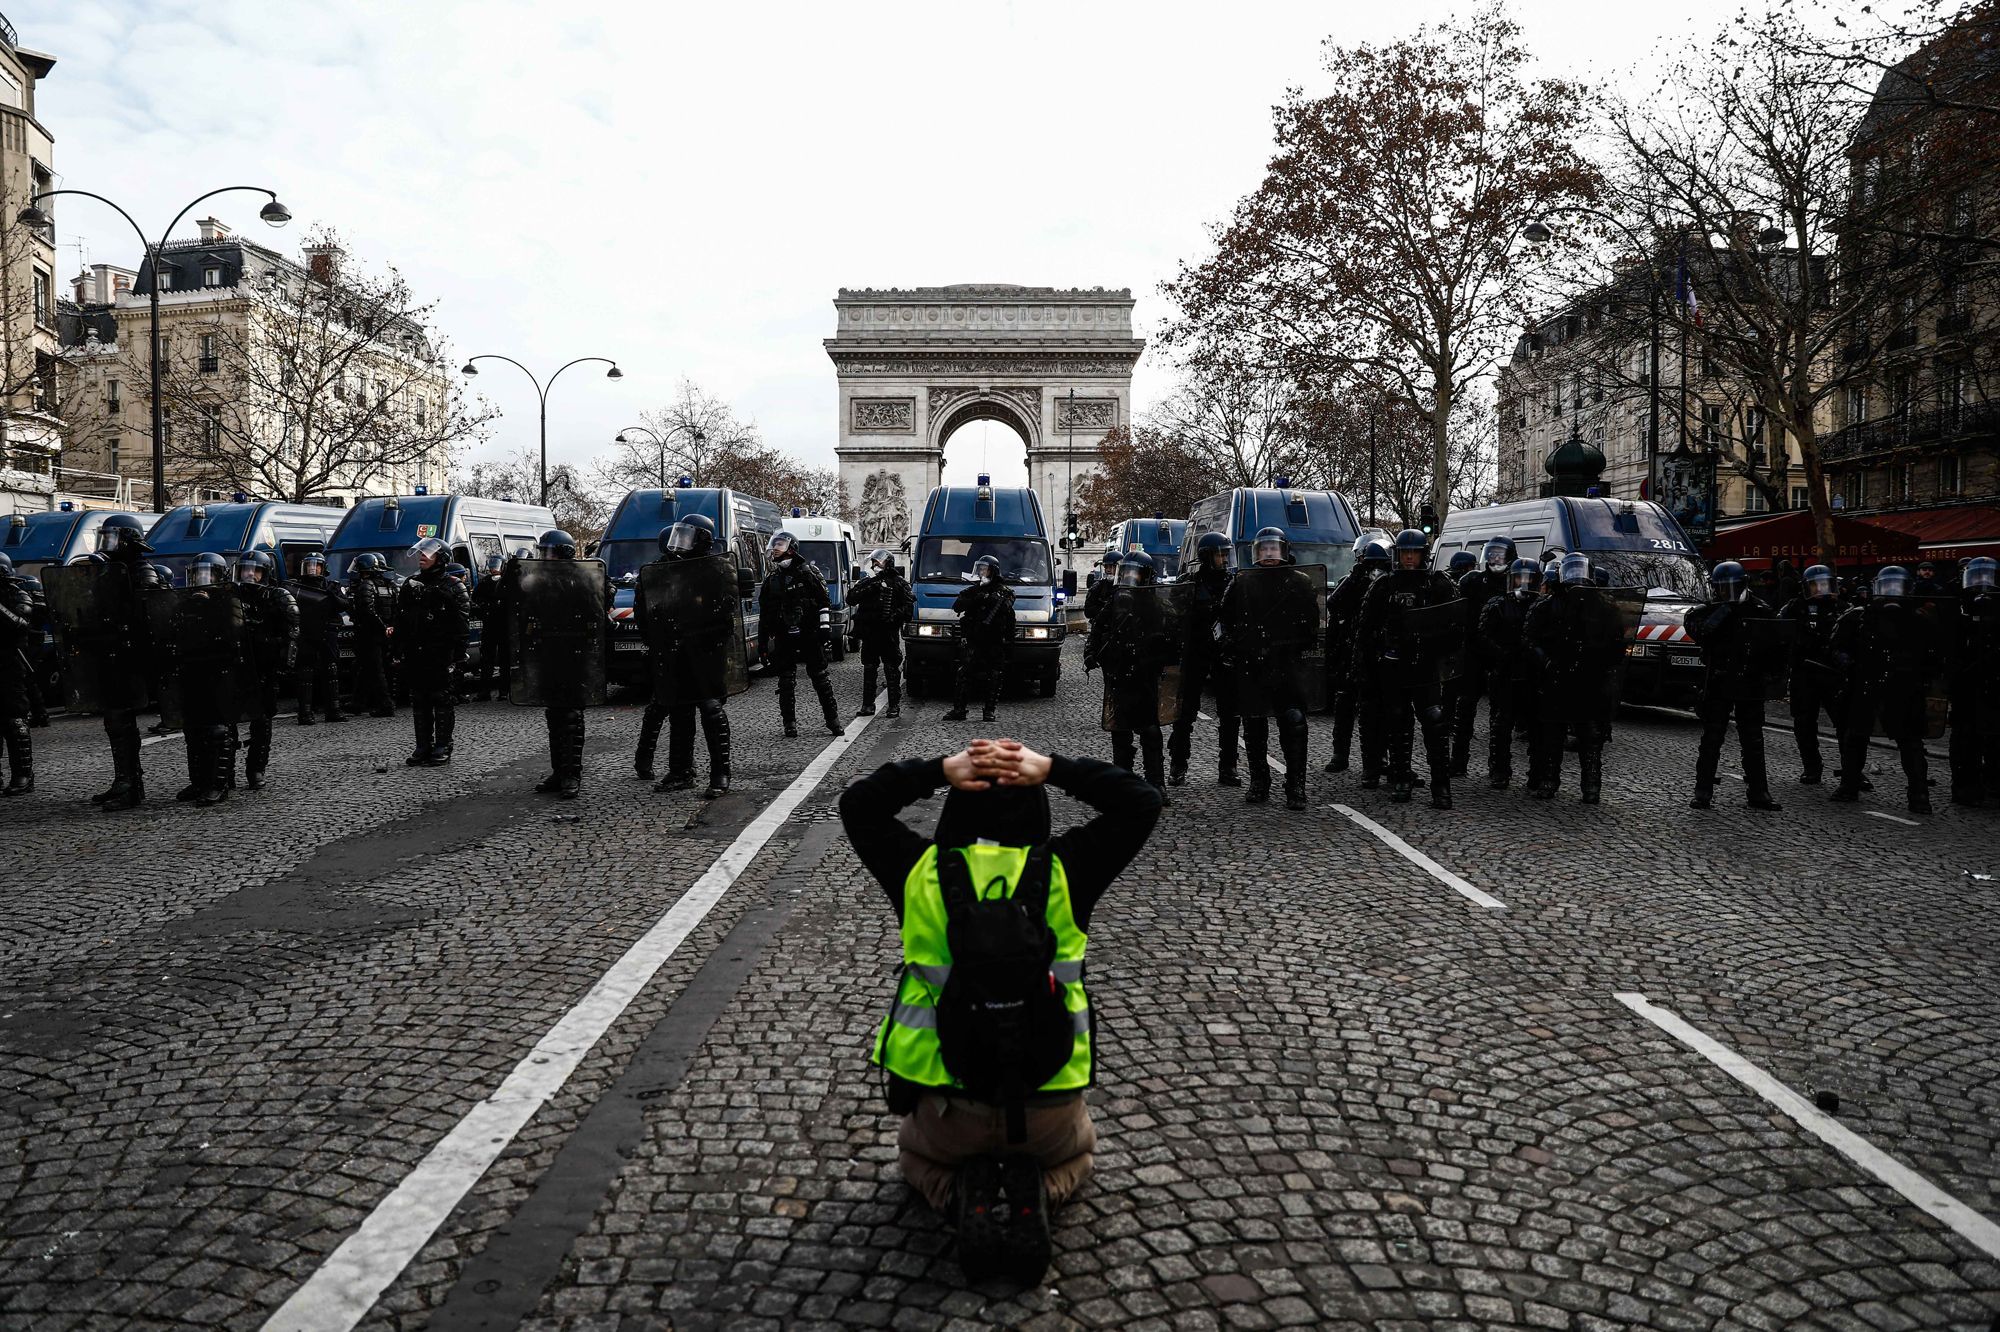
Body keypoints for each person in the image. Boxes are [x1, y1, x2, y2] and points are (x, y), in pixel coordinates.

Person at [840, 737, 1162, 1284]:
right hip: (1047, 1106)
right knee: (1079, 1157)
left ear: (953, 813)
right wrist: (1053, 766)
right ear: (1037, 815)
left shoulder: (920, 872)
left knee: (914, 1161)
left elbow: (859, 803)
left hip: (947, 1110)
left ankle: (956, 1192)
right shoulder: (1066, 870)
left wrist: (941, 769)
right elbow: (1141, 800)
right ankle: (1045, 1184)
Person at [1354, 529, 1461, 809]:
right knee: (1398, 724)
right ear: (1397, 555)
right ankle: (1401, 779)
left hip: (1426, 666)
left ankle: (1441, 785)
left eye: (1414, 552)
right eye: (1405, 553)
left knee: (1435, 723)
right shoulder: (1383, 586)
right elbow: (1365, 629)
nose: (1409, 558)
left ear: (1423, 554)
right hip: (1394, 666)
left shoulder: (1438, 583)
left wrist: (1444, 654)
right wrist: (1367, 666)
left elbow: (1456, 625)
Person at [633, 516, 735, 798]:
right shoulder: (661, 569)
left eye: (687, 535)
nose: (679, 541)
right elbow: (645, 613)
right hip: (673, 651)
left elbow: (726, 614)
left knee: (711, 711)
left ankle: (720, 773)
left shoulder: (717, 570)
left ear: (702, 539)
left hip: (704, 653)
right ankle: (680, 772)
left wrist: (707, 638)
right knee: (679, 711)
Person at [1216, 527, 1318, 809]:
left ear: (1283, 551)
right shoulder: (1242, 582)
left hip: (1286, 663)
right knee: (1253, 724)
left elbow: (1311, 623)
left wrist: (1294, 644)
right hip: (1253, 663)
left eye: (1274, 548)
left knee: (1294, 723)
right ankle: (1259, 781)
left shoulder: (1301, 582)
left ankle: (1295, 785)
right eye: (1264, 549)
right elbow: (1224, 618)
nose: (1269, 554)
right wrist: (1232, 646)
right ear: (1256, 553)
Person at [1830, 565, 1941, 813]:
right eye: (1887, 588)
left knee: (1910, 742)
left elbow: (1934, 655)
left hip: (1903, 686)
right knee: (1856, 737)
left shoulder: (1920, 620)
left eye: (1897, 588)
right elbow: (1837, 646)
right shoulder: (1858, 617)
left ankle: (1919, 794)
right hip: (1867, 683)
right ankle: (1849, 785)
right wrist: (1847, 664)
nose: (1891, 593)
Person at [1521, 552, 1623, 803]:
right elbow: (1528, 637)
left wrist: (1604, 664)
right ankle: (1549, 780)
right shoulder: (1549, 604)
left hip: (1589, 678)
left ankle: (1591, 786)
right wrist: (1545, 661)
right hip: (1556, 675)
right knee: (1552, 734)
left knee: (1590, 736)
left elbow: (1617, 641)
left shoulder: (1604, 607)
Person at [1684, 560, 1781, 811]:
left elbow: (1775, 645)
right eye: (1721, 589)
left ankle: (1759, 791)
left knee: (1753, 739)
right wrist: (1722, 611)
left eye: (1731, 588)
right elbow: (1698, 630)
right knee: (1712, 738)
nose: (1726, 592)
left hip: (1750, 682)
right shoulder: (1710, 611)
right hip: (1719, 680)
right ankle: (1703, 791)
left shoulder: (1760, 609)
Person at [76, 513, 155, 811]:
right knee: (114, 721)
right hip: (110, 653)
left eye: (112, 538)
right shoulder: (109, 571)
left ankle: (131, 787)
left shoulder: (141, 571)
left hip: (132, 655)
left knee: (122, 719)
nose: (106, 544)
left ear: (127, 540)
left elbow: (148, 613)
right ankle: (124, 780)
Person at [524, 529, 609, 798]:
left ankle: (572, 774)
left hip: (574, 653)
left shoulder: (582, 578)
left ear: (562, 553)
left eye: (547, 552)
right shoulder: (539, 579)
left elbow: (596, 614)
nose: (543, 557)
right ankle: (558, 771)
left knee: (571, 715)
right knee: (554, 714)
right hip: (549, 653)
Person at [1086, 555, 1176, 799]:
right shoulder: (1115, 602)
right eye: (1125, 573)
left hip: (1146, 673)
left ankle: (1156, 782)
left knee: (1150, 729)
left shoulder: (1158, 605)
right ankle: (1121, 780)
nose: (1128, 579)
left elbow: (1173, 636)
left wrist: (1163, 652)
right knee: (1120, 727)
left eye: (1133, 574)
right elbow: (1097, 628)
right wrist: (1091, 654)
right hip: (1119, 670)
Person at [174, 553, 250, 807]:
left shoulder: (229, 601)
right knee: (193, 728)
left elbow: (235, 634)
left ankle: (220, 783)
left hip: (221, 671)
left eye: (207, 575)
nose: (201, 580)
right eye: (197, 574)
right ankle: (198, 781)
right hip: (193, 669)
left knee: (219, 729)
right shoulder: (185, 603)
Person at [392, 536, 471, 766]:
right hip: (417, 652)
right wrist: (398, 649)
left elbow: (462, 625)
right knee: (419, 700)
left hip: (442, 653)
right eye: (421, 553)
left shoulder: (454, 586)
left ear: (441, 559)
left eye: (429, 553)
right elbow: (401, 619)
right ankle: (422, 746)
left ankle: (443, 745)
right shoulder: (411, 584)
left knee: (442, 700)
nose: (422, 557)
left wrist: (458, 657)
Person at [1169, 531, 1240, 787]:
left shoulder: (1235, 582)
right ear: (1207, 557)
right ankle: (1178, 765)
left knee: (1230, 715)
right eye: (1220, 554)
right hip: (1196, 653)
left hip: (1224, 655)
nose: (1224, 559)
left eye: (1225, 554)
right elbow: (1175, 618)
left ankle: (1229, 766)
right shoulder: (1189, 583)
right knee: (1184, 714)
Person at [760, 531, 843, 737]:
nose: (775, 549)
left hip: (810, 634)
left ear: (791, 549)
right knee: (786, 681)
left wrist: (825, 629)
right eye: (775, 545)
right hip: (784, 636)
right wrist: (763, 644)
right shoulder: (772, 579)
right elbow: (765, 614)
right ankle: (789, 724)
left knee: (821, 678)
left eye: (780, 545)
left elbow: (824, 601)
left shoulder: (809, 572)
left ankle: (833, 721)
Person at [1322, 536, 1390, 778]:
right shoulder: (1350, 581)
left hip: (1375, 650)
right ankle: (1340, 754)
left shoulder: (1388, 582)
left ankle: (1379, 758)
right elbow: (1334, 603)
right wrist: (1356, 575)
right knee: (1344, 704)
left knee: (1377, 709)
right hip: (1350, 649)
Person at [232, 551, 298, 791]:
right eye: (246, 569)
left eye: (256, 570)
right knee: (227, 720)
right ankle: (225, 773)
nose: (250, 574)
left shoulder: (277, 596)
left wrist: (283, 666)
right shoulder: (231, 594)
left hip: (264, 667)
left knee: (262, 721)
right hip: (235, 665)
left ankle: (256, 770)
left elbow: (291, 633)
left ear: (265, 572)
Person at [1449, 537, 1514, 776]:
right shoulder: (1472, 581)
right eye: (1492, 554)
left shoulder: (1515, 580)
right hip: (1474, 651)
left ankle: (1499, 767)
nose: (1496, 559)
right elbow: (1458, 615)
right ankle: (1458, 762)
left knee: (1502, 713)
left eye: (1500, 554)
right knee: (1464, 708)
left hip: (1502, 654)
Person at [1777, 564, 1846, 785]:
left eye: (1826, 585)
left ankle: (1852, 768)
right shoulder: (1794, 608)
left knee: (1845, 723)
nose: (1822, 590)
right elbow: (1779, 636)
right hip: (1804, 674)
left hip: (1833, 674)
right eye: (1817, 585)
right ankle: (1812, 766)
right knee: (1804, 723)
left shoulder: (1842, 608)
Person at [1476, 558, 1541, 788]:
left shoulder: (1541, 606)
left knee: (1537, 726)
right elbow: (1483, 635)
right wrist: (1500, 655)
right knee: (1501, 725)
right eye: (1518, 578)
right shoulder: (1497, 605)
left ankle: (1538, 775)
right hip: (1504, 673)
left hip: (1533, 674)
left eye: (1528, 579)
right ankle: (1499, 769)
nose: (1523, 583)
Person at [1946, 556, 1998, 805]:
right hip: (1967, 686)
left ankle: (1992, 784)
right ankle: (1966, 787)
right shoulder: (1958, 609)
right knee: (1966, 740)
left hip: (1993, 684)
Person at [944, 555, 1015, 723]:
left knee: (995, 675)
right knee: (964, 673)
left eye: (985, 569)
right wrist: (977, 598)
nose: (982, 572)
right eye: (980, 569)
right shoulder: (974, 590)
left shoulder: (1004, 591)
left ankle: (989, 711)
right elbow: (957, 605)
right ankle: (959, 710)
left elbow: (1008, 608)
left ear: (993, 571)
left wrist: (992, 599)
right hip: (974, 638)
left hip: (994, 640)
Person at [848, 547, 913, 718]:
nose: (875, 565)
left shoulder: (899, 583)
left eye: (879, 562)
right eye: (874, 562)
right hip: (870, 633)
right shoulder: (870, 582)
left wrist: (893, 616)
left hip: (888, 633)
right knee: (869, 668)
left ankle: (893, 706)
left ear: (888, 563)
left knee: (891, 670)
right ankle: (868, 705)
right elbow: (851, 598)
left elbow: (908, 609)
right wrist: (870, 588)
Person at [290, 551, 347, 725]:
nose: (312, 570)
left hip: (327, 631)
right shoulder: (297, 587)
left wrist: (333, 594)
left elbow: (345, 606)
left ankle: (333, 710)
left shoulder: (332, 586)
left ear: (323, 569)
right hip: (307, 633)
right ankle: (305, 712)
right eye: (309, 566)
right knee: (305, 672)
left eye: (316, 566)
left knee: (331, 670)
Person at [0, 553, 35, 794]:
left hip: (9, 663)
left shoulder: (18, 594)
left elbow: (21, 623)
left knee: (15, 720)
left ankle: (23, 774)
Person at [349, 551, 399, 717]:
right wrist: (390, 627)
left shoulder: (366, 585)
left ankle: (386, 705)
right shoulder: (391, 585)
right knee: (367, 667)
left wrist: (381, 627)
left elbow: (367, 611)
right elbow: (397, 609)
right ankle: (358, 703)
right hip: (386, 634)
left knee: (375, 669)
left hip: (369, 634)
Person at [469, 552, 513, 702]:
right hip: (490, 624)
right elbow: (475, 598)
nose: (494, 569)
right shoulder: (486, 582)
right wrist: (484, 608)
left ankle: (504, 691)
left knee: (504, 660)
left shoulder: (508, 582)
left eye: (496, 565)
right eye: (492, 566)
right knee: (487, 659)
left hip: (504, 625)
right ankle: (485, 691)